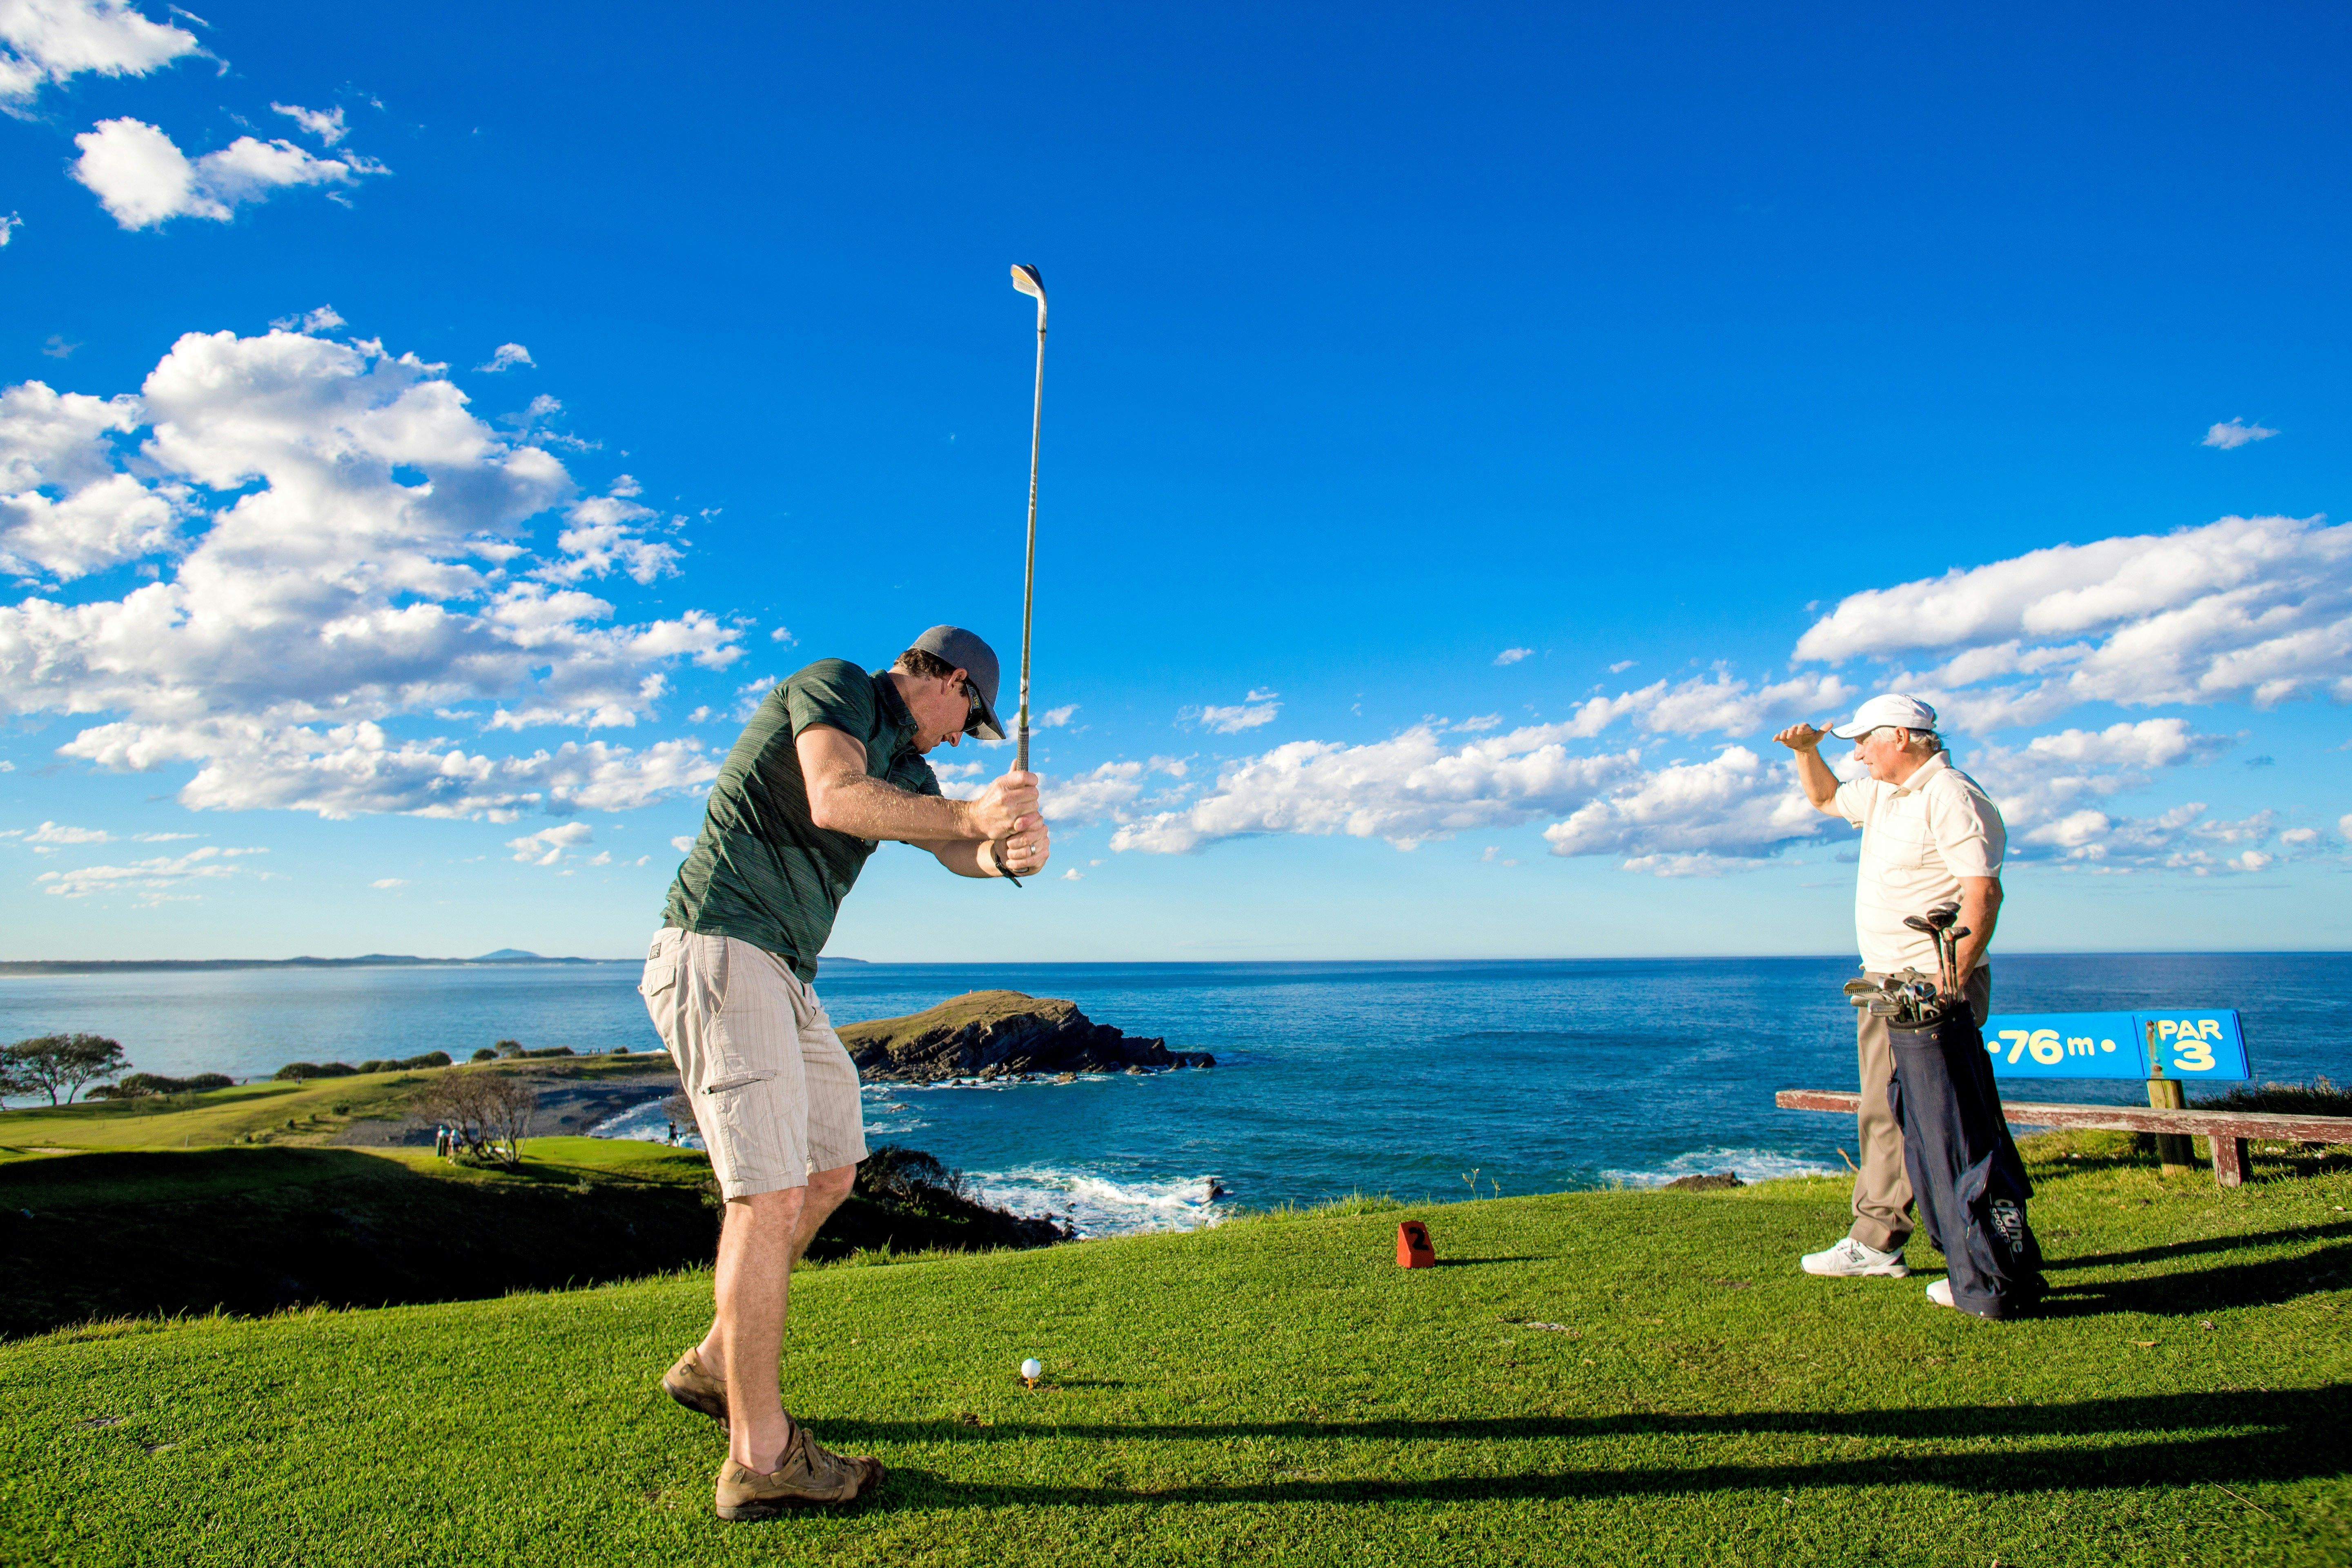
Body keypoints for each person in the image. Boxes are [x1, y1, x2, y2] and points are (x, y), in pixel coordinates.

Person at [638, 625, 1051, 1519]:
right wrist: (972, 818)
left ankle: (716, 1363)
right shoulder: (838, 687)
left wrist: (1001, 853)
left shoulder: (908, 765)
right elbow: (834, 797)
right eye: (969, 719)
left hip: (785, 971)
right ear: (947, 679)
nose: (960, 741)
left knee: (830, 1169)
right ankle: (761, 1460)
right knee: (768, 1196)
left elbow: (952, 847)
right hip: (721, 946)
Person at [1774, 693, 2006, 1306]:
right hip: (1885, 982)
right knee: (1884, 1109)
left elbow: (1983, 894)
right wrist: (1807, 753)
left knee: (1945, 1118)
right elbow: (1825, 799)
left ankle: (1977, 1258)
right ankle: (1882, 1242)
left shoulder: (1951, 794)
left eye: (1864, 741)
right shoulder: (1883, 793)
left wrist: (1951, 980)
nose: (1856, 754)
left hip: (1931, 982)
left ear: (1901, 736)